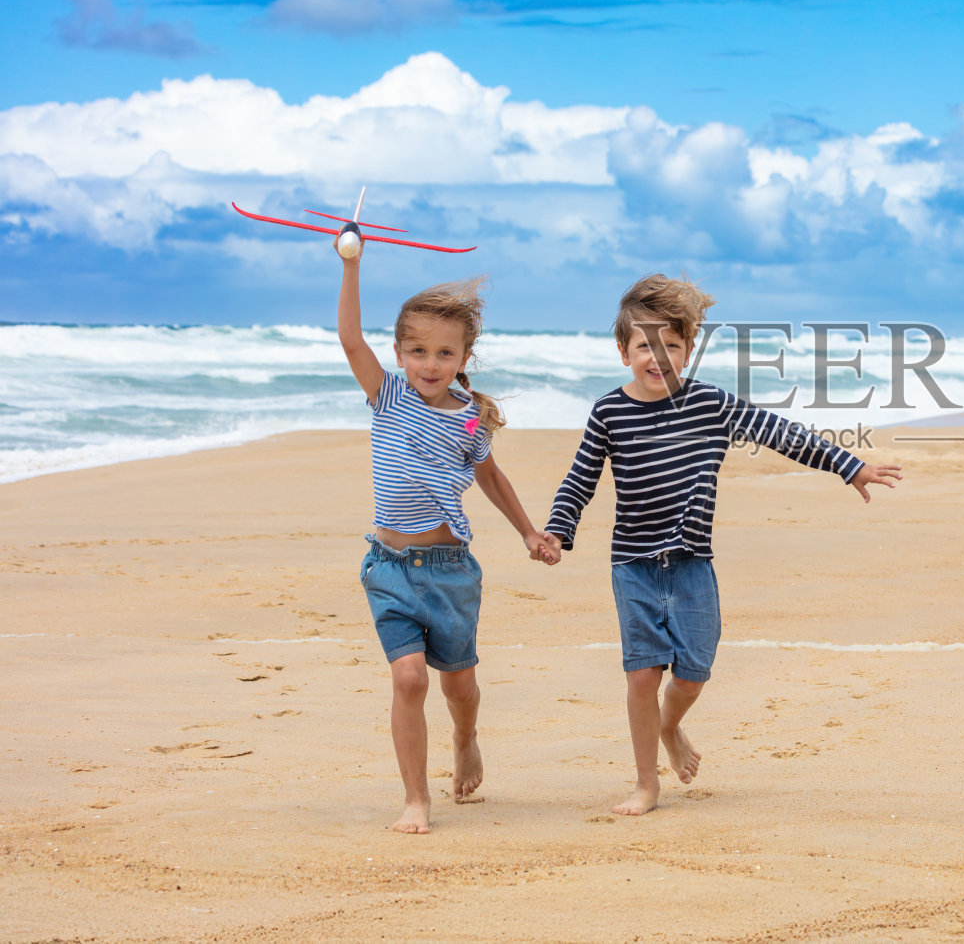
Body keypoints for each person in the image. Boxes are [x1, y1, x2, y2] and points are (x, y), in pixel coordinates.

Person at [542, 273, 902, 815]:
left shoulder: (711, 404)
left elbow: (780, 433)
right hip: (634, 566)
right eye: (645, 345)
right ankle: (646, 784)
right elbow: (580, 478)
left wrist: (848, 466)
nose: (657, 357)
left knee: (692, 675)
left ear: (687, 350)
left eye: (671, 345)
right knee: (641, 673)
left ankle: (671, 726)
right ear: (623, 351)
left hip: (691, 565)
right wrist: (558, 530)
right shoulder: (608, 413)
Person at [337, 239, 558, 834]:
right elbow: (350, 340)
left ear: (463, 356)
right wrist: (352, 266)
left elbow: (488, 473)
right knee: (409, 678)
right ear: (400, 353)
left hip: (450, 570)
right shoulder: (386, 395)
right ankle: (416, 799)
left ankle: (466, 738)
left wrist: (529, 532)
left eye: (442, 353)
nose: (429, 364)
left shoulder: (468, 416)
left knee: (458, 684)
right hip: (388, 567)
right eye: (417, 351)